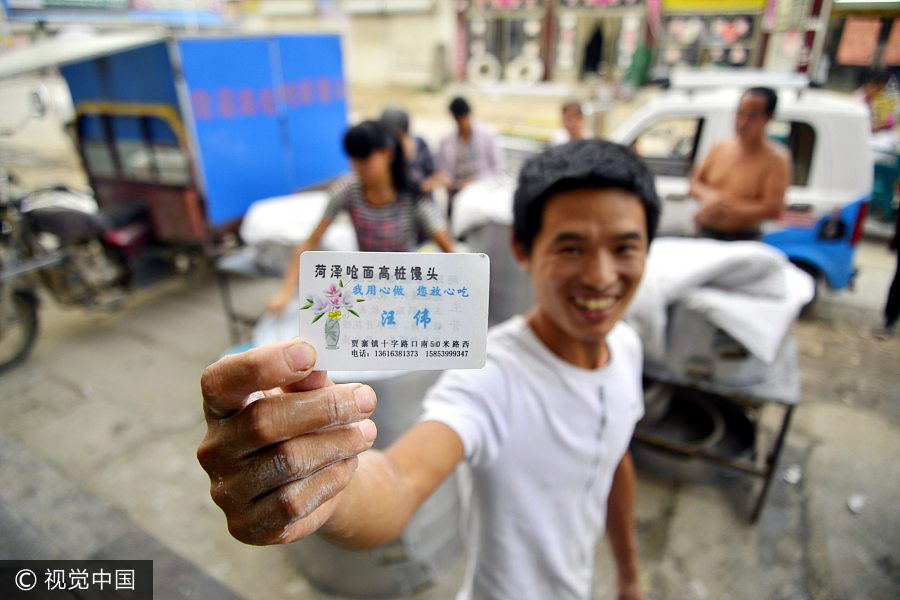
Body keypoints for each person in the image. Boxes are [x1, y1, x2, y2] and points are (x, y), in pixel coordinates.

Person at [198, 139, 660, 600]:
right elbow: (399, 481)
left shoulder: (627, 347)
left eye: (624, 247)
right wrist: (321, 480)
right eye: (572, 248)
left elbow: (615, 454)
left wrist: (629, 576)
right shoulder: (490, 376)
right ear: (522, 248)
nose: (601, 275)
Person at [267, 120, 455, 314]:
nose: (357, 166)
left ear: (388, 154)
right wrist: (285, 291)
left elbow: (449, 249)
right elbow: (308, 244)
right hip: (366, 288)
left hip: (405, 287)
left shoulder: (412, 196)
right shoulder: (347, 191)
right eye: (353, 159)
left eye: (364, 158)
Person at [689, 86, 791, 241]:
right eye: (740, 113)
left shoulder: (776, 158)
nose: (743, 122)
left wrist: (727, 208)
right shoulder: (720, 148)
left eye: (752, 116)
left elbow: (774, 209)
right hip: (706, 233)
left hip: (743, 238)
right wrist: (709, 197)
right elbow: (694, 184)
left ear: (768, 118)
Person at [435, 96, 506, 220]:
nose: (463, 123)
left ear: (470, 114)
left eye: (464, 118)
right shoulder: (447, 139)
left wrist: (474, 182)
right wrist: (448, 180)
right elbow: (442, 169)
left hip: (482, 196)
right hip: (456, 195)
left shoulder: (488, 135)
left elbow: (499, 168)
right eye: (458, 119)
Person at [380, 106, 442, 194]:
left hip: (421, 200)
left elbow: (438, 175)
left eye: (397, 135)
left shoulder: (420, 144)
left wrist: (424, 186)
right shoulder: (385, 153)